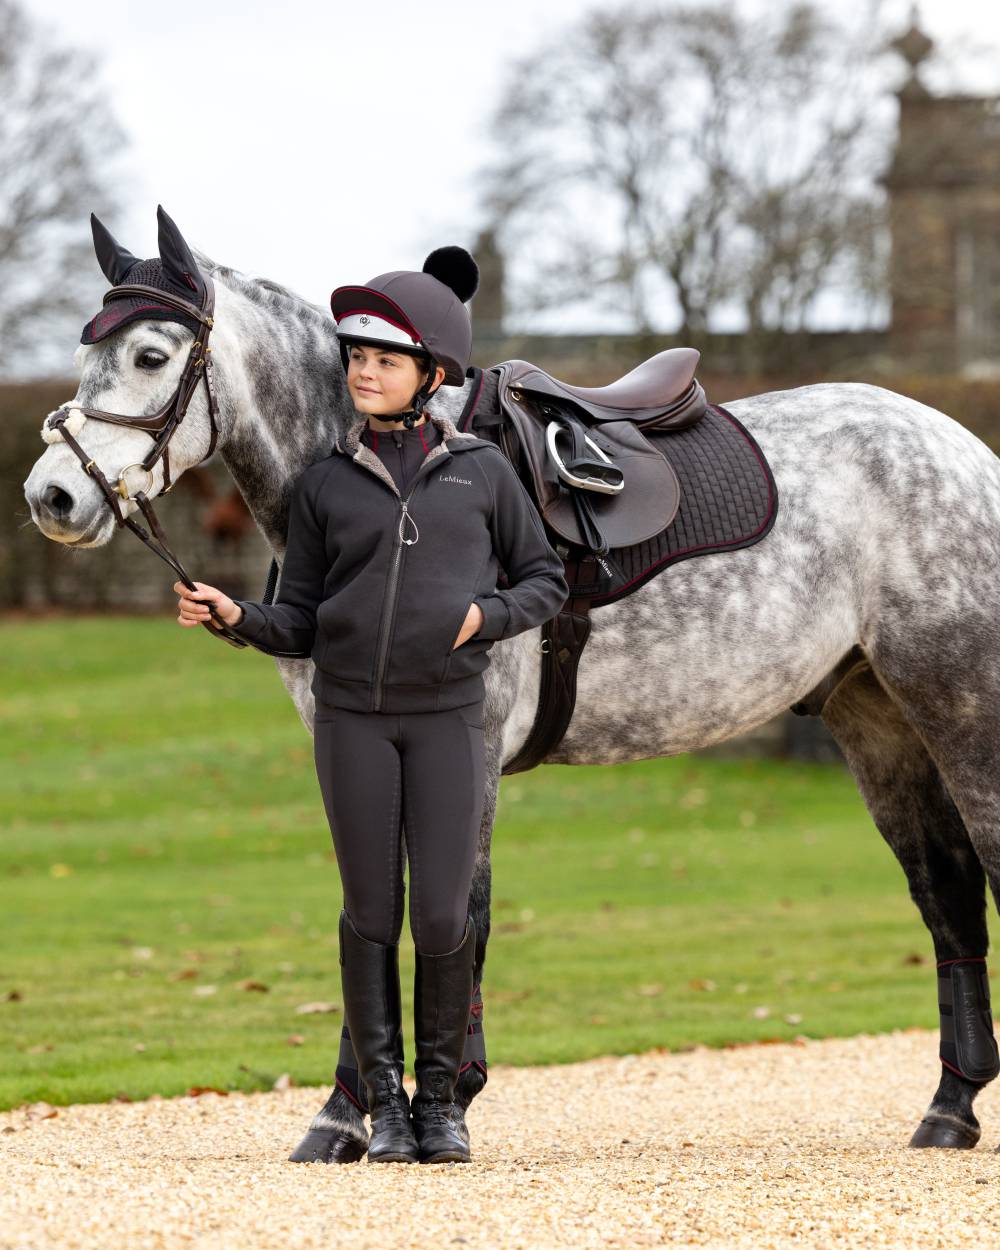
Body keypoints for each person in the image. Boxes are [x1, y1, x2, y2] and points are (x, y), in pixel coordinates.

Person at [173, 246, 569, 1165]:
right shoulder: (323, 486)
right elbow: (302, 618)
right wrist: (237, 617)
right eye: (356, 358)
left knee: (441, 915)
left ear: (431, 376)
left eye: (385, 360)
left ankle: (443, 1104)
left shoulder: (484, 476)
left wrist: (486, 614)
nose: (363, 371)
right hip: (351, 720)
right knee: (368, 915)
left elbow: (545, 579)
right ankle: (381, 1105)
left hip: (446, 721)